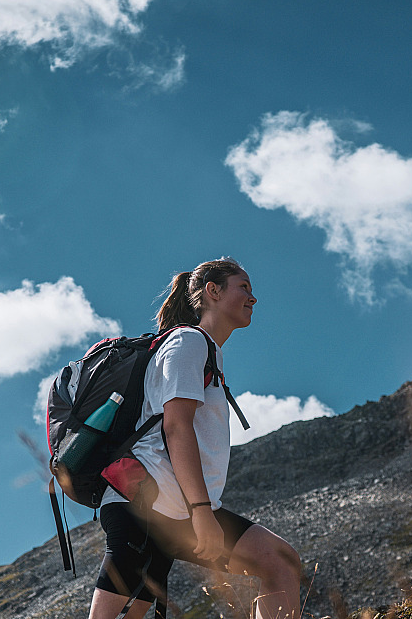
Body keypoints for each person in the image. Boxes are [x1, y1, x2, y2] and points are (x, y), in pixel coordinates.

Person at [87, 258, 302, 619]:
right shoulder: (188, 342)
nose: (253, 298)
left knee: (281, 562)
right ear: (213, 291)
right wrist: (202, 513)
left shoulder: (205, 351)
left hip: (173, 506)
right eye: (244, 287)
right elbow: (176, 427)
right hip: (145, 502)